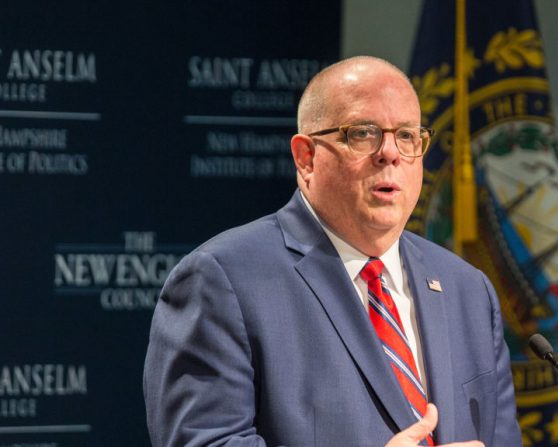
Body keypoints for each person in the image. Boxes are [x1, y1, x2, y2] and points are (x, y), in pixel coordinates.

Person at [143, 56, 521, 447]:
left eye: (407, 136)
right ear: (306, 158)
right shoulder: (223, 281)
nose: (390, 153)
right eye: (363, 133)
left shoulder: (468, 291)